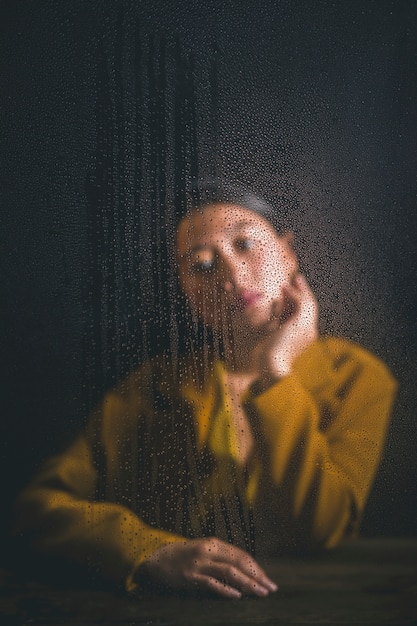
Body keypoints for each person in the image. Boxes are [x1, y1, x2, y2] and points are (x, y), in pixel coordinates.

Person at [13, 181, 397, 599]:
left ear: (287, 253)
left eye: (245, 244)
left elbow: (317, 530)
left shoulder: (355, 376)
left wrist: (275, 370)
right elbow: (35, 509)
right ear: (185, 290)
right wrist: (149, 550)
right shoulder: (153, 386)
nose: (231, 274)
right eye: (200, 265)